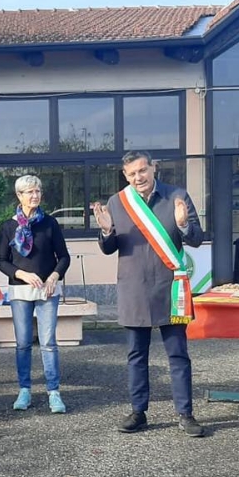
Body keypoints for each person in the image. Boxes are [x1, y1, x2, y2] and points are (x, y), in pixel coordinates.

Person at [91, 151, 206, 437]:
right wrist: (106, 232)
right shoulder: (118, 202)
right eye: (132, 174)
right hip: (134, 288)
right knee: (136, 355)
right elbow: (110, 248)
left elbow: (196, 238)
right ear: (125, 175)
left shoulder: (176, 195)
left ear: (154, 168)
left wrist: (182, 224)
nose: (138, 178)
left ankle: (185, 414)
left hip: (170, 287)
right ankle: (138, 411)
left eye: (143, 171)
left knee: (178, 354)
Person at [0, 175, 71, 413]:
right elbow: (1, 261)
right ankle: (24, 390)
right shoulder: (9, 226)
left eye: (38, 191)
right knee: (23, 344)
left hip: (47, 291)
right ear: (19, 195)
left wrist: (54, 276)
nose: (35, 195)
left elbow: (64, 257)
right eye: (29, 191)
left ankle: (53, 392)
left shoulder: (50, 223)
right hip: (20, 290)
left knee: (48, 343)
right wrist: (21, 274)